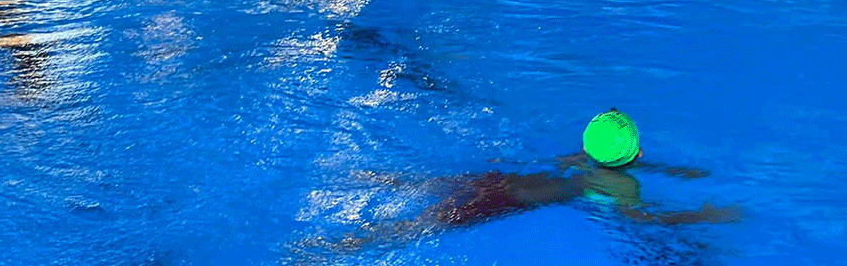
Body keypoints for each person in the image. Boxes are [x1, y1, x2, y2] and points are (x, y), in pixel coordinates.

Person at [307, 109, 739, 254]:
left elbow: (613, 161)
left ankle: (369, 177)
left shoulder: (580, 158)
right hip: (501, 203)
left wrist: (673, 171)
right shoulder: (621, 186)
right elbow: (642, 221)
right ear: (637, 155)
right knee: (420, 226)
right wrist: (698, 216)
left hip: (499, 178)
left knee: (425, 183)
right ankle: (342, 248)